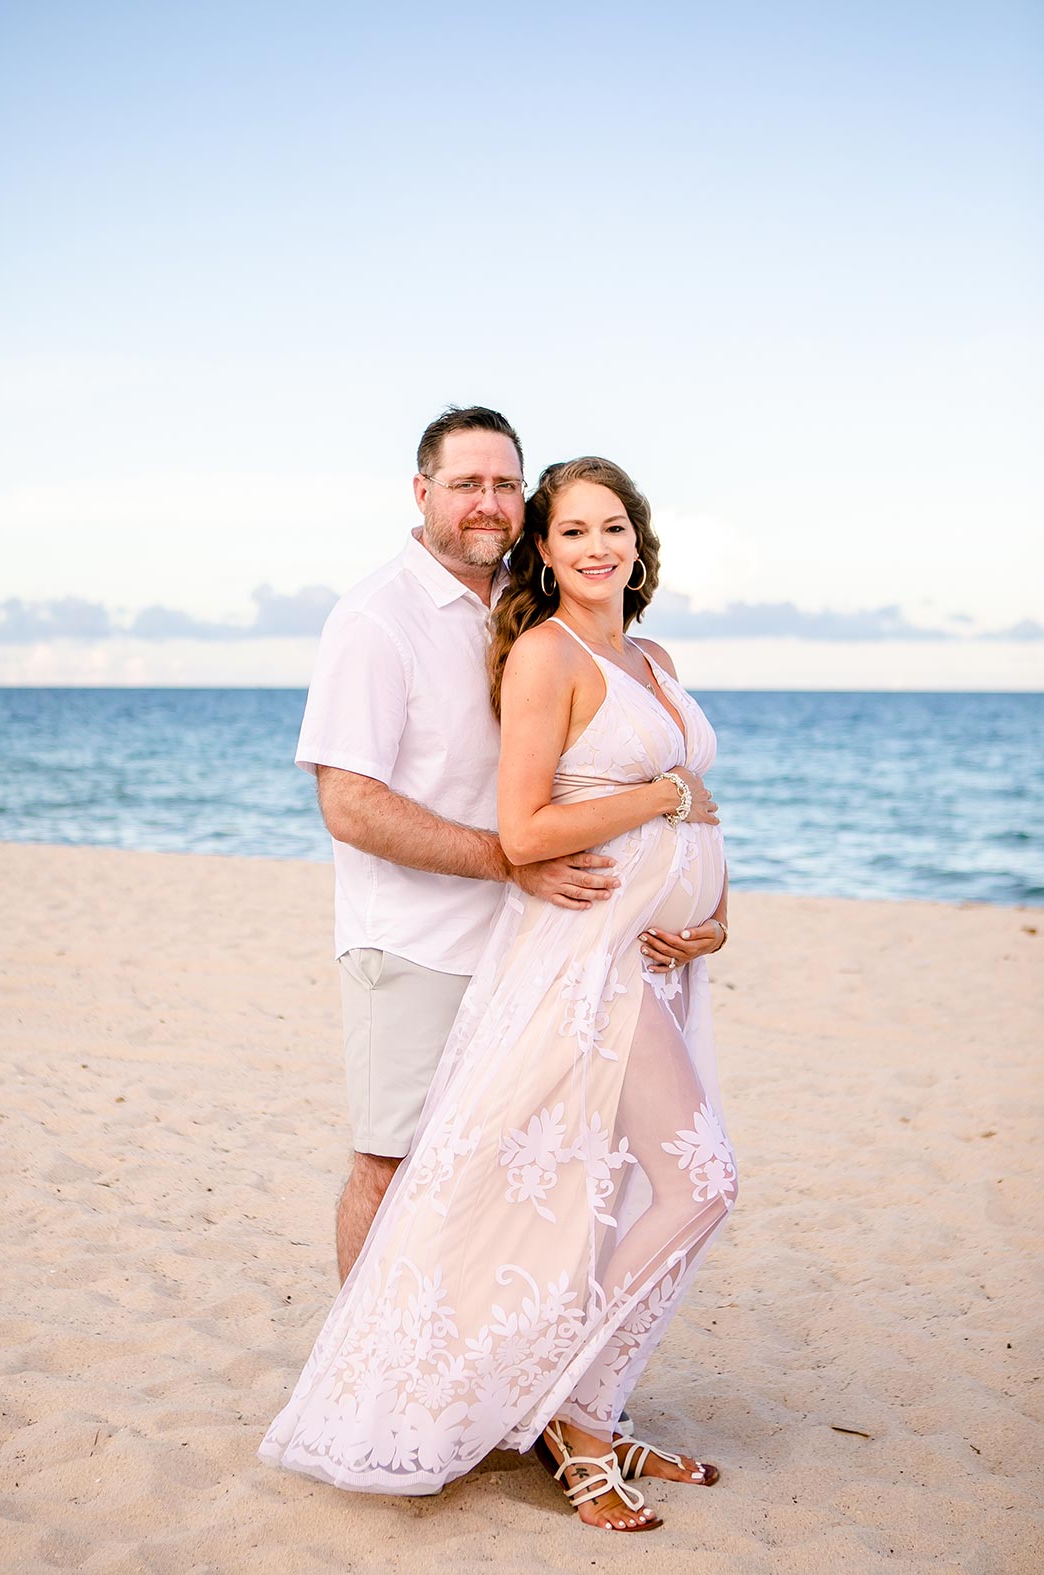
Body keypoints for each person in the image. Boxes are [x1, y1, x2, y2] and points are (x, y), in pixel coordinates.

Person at [261, 455, 737, 1534]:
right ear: (545, 549)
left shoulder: (652, 654)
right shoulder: (530, 652)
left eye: (612, 527)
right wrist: (662, 794)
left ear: (639, 538)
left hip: (658, 955)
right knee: (700, 1181)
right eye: (573, 533)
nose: (597, 547)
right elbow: (528, 828)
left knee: (609, 1187)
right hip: (579, 959)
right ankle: (573, 1411)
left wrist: (716, 912)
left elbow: (696, 813)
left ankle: (591, 1407)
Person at [294, 407, 717, 1284]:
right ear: (422, 493)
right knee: (394, 1162)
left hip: (536, 941)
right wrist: (513, 857)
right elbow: (349, 802)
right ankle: (363, 1396)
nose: (488, 503)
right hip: (416, 941)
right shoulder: (378, 618)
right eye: (465, 484)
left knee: (517, 1171)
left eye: (504, 484)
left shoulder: (521, 609)